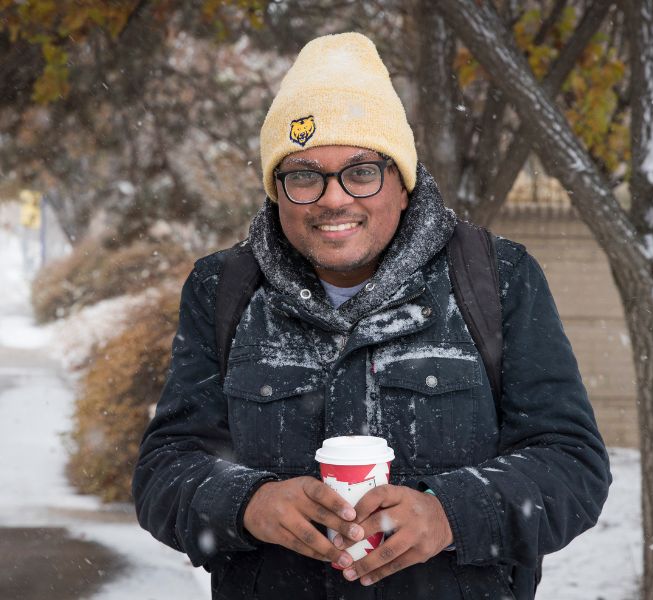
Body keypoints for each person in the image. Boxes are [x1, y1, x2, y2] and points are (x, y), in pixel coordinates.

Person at [133, 32, 611, 599]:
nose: (335, 199)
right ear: (276, 191)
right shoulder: (223, 289)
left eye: (362, 171)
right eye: (304, 175)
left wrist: (451, 514)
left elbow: (571, 464)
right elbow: (165, 471)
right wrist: (248, 504)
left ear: (402, 184)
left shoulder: (495, 277)